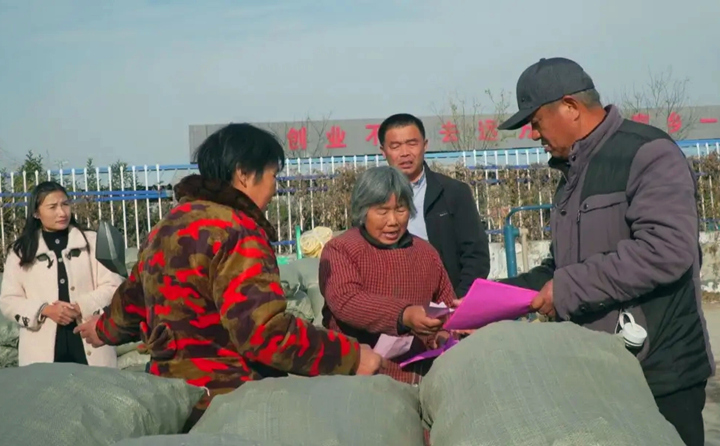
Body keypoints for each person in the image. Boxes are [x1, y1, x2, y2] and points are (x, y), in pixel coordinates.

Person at [75, 123, 382, 428]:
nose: (275, 189)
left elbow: (133, 299)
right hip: (229, 406)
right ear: (244, 174)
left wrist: (101, 330)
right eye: (273, 176)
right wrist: (352, 357)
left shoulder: (165, 226)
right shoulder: (237, 231)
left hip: (171, 404)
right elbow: (265, 334)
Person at [496, 57, 713, 446]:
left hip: (660, 371)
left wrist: (566, 289)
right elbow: (562, 267)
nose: (532, 134)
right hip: (598, 371)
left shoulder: (647, 153)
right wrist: (493, 296)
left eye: (536, 121)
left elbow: (665, 250)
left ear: (570, 107)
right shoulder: (571, 176)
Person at [320, 166, 456, 385]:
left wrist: (441, 334)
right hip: (359, 378)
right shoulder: (341, 249)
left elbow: (445, 305)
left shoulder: (426, 253)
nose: (393, 221)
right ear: (362, 211)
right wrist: (403, 315)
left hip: (419, 377)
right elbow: (347, 301)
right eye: (382, 211)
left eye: (400, 210)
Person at [0, 181, 123, 367]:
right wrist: (44, 310)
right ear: (36, 213)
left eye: (65, 204)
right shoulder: (21, 251)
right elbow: (9, 300)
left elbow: (114, 286)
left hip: (90, 345)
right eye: (52, 207)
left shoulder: (92, 241)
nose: (62, 212)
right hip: (40, 350)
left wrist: (80, 307)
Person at [378, 113, 490, 297]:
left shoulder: (454, 192)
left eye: (412, 143)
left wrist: (458, 303)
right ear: (384, 151)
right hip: (392, 304)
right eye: (396, 146)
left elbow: (476, 255)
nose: (405, 153)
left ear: (425, 145)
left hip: (445, 301)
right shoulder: (373, 198)